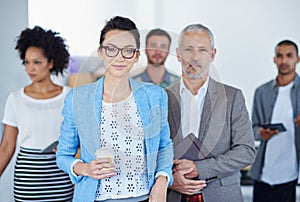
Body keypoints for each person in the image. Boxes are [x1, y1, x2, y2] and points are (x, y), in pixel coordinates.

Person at [56, 16, 174, 202]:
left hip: (144, 198)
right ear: (101, 52)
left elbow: (164, 146)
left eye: (127, 50)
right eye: (111, 49)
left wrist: (162, 181)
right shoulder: (77, 98)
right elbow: (63, 155)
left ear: (136, 55)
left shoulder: (154, 95)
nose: (119, 57)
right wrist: (85, 168)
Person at [165, 23, 256, 202]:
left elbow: (246, 151)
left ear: (212, 55)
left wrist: (200, 168)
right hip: (174, 195)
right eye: (188, 49)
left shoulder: (232, 97)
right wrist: (168, 178)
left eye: (203, 50)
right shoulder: (163, 97)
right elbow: (151, 151)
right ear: (178, 54)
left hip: (221, 195)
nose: (195, 57)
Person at [0, 26, 73, 201]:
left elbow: (81, 139)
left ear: (51, 62)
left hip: (60, 178)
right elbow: (6, 147)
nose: (30, 68)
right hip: (27, 181)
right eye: (26, 62)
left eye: (37, 62)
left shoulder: (70, 96)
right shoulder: (15, 99)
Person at [248, 40, 300, 202]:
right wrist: (261, 133)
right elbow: (252, 129)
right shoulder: (261, 92)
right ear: (274, 59)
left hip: (290, 176)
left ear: (297, 59)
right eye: (280, 56)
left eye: (289, 56)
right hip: (262, 175)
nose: (284, 61)